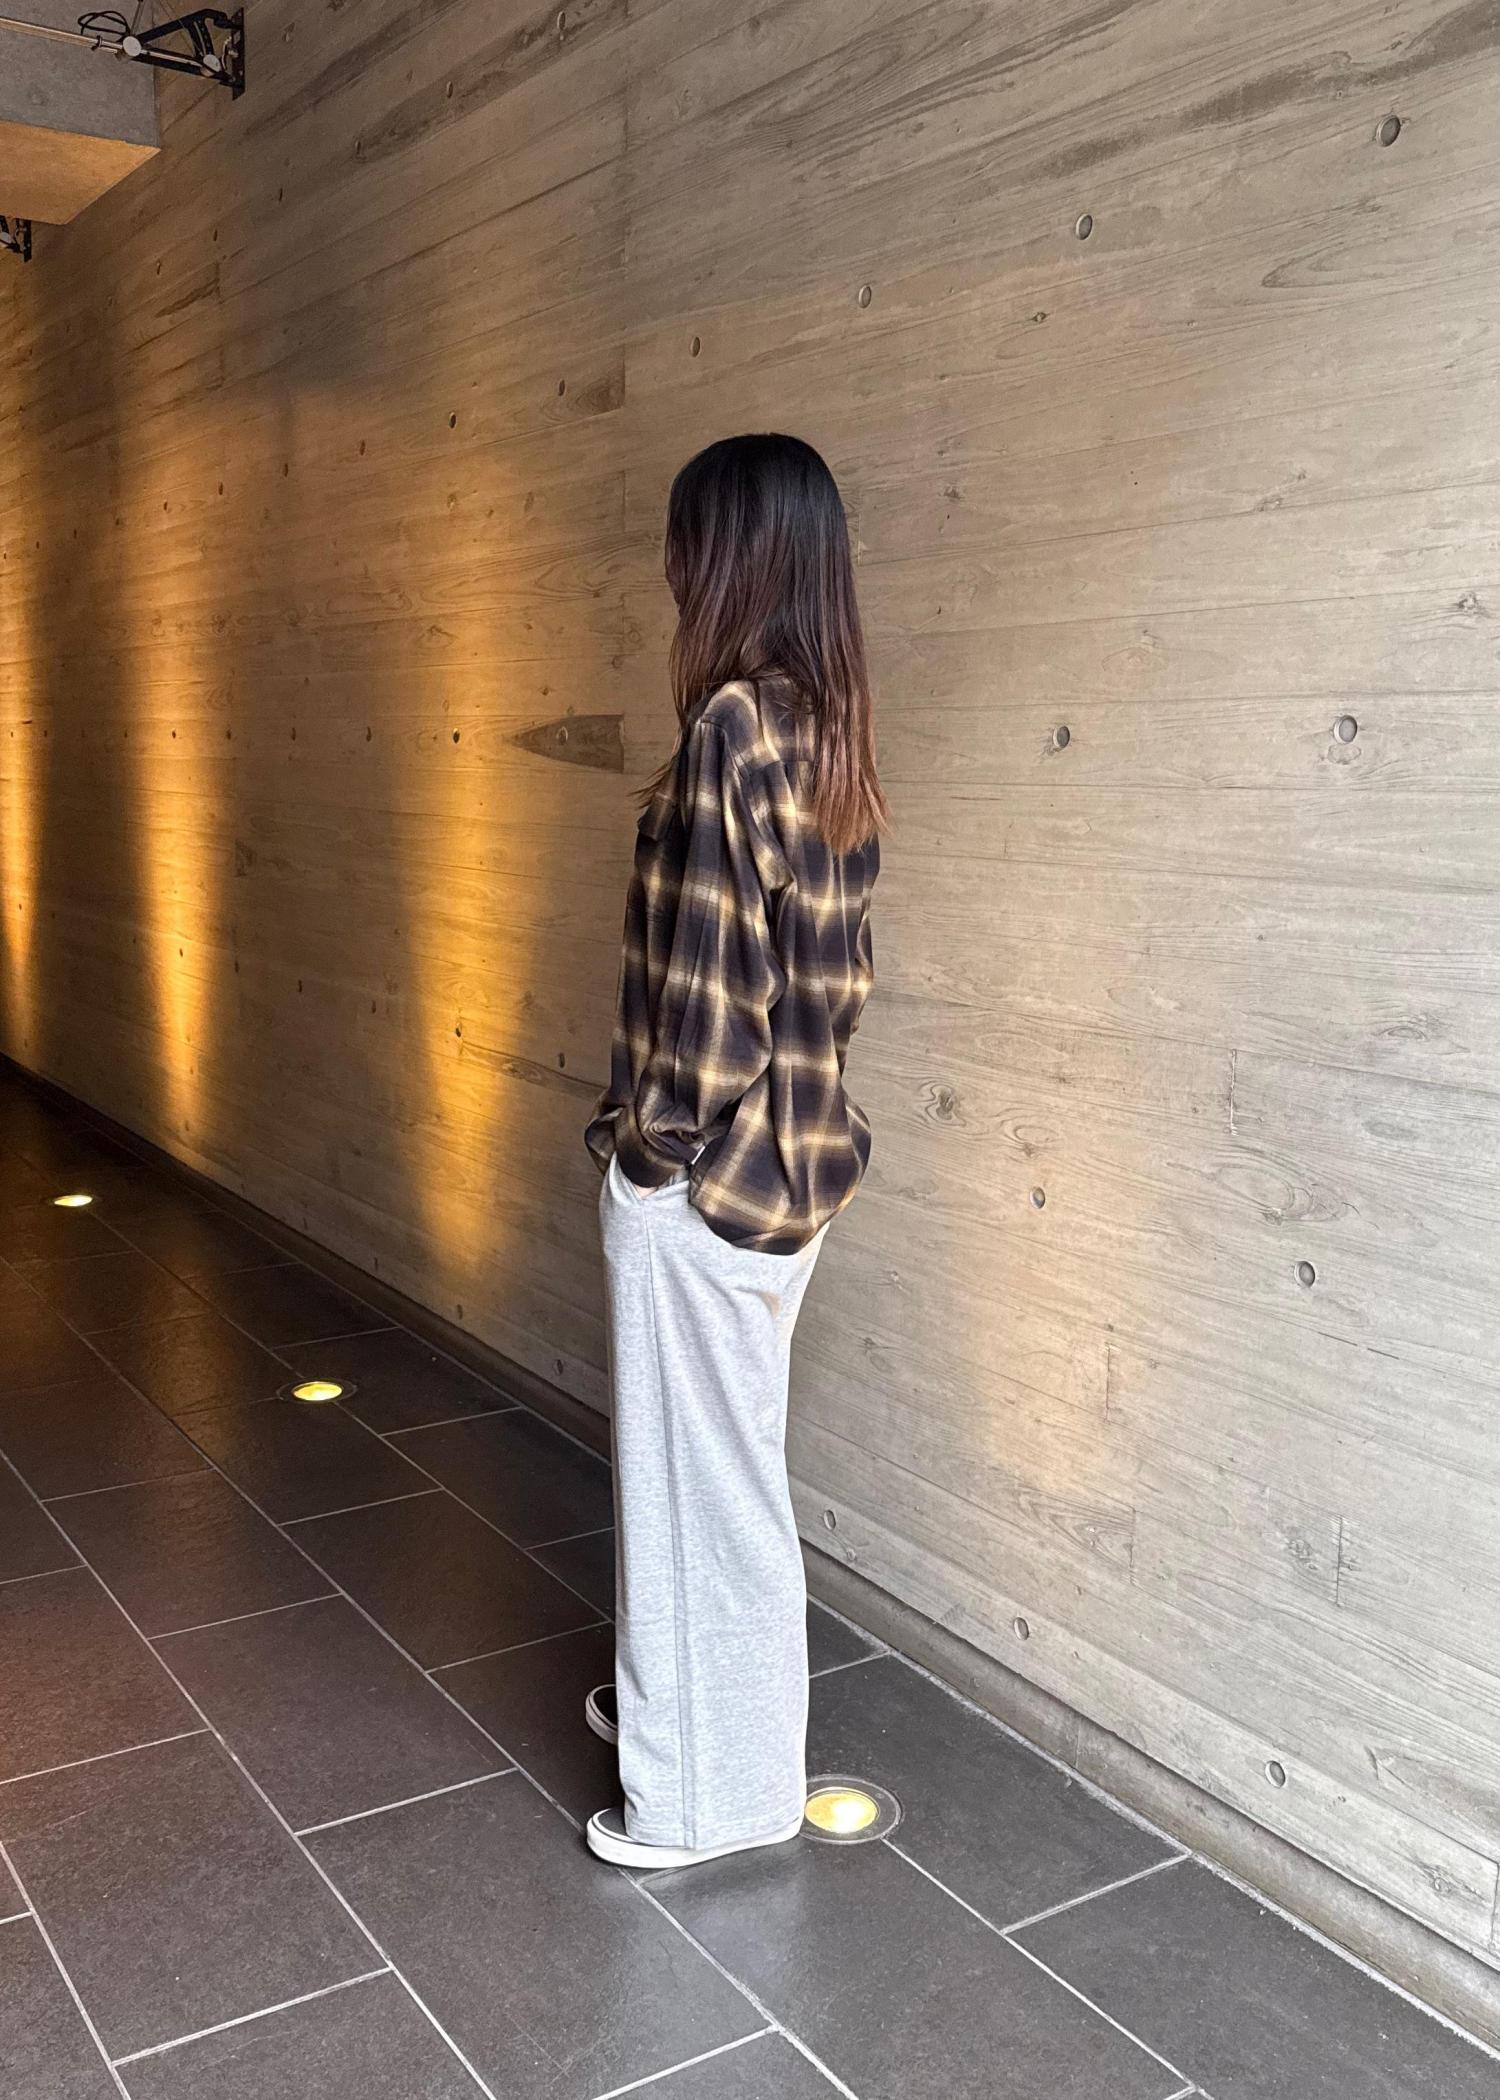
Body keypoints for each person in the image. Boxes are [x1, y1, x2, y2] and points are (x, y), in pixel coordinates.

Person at [581, 432, 886, 1871]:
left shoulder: (730, 727)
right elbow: (835, 978)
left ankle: (711, 1794)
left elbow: (713, 1006)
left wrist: (651, 1159)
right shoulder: (830, 729)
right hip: (797, 1167)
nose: (669, 566)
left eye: (685, 539)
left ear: (734, 558)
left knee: (694, 1495)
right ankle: (693, 1716)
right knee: (726, 1476)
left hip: (710, 1183)